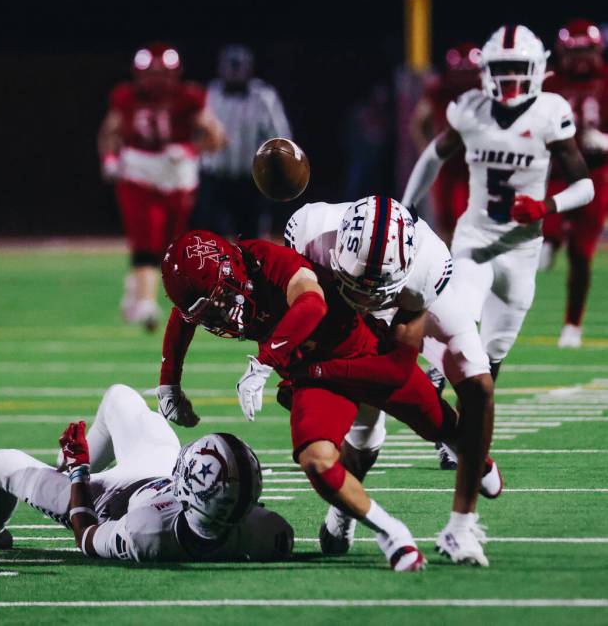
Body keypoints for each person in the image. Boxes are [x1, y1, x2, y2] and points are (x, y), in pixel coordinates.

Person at [157, 229, 501, 571]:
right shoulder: (220, 287)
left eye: (217, 302)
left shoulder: (266, 260)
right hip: (313, 374)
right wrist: (168, 383)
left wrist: (265, 360)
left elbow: (312, 303)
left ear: (233, 271)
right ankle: (393, 536)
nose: (219, 317)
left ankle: (474, 460)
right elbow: (182, 318)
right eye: (207, 313)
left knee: (442, 427)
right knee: (316, 460)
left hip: (363, 356)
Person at [285, 195, 499, 566]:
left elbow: (396, 373)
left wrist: (314, 371)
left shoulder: (426, 267)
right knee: (365, 434)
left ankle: (461, 526)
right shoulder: (309, 233)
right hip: (336, 311)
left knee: (478, 383)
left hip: (404, 304)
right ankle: (345, 508)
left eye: (372, 290)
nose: (364, 298)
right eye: (357, 285)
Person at [402, 24, 594, 382]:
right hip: (476, 238)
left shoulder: (550, 112)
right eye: (502, 67)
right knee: (459, 315)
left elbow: (585, 186)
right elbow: (433, 155)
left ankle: (465, 428)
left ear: (537, 69)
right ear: (487, 70)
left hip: (522, 249)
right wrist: (407, 203)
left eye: (517, 67)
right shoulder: (472, 109)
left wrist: (545, 206)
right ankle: (435, 386)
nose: (509, 76)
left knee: (493, 352)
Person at [0, 384, 293, 562]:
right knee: (119, 397)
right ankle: (59, 468)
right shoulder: (269, 532)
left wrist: (80, 472)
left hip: (109, 501)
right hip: (156, 476)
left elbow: (86, 537)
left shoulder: (148, 531)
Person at [98, 43, 225, 331]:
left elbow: (218, 138)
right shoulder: (126, 97)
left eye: (161, 73)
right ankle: (145, 301)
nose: (156, 80)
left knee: (173, 244)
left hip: (176, 174)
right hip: (139, 171)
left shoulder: (190, 97)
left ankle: (139, 288)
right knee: (146, 240)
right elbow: (110, 131)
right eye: (150, 73)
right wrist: (109, 158)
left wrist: (191, 150)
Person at [541, 19, 608, 348]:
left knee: (582, 255)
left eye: (586, 51)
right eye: (574, 52)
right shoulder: (548, 82)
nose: (580, 59)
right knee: (542, 236)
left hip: (595, 175)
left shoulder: (606, 81)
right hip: (553, 173)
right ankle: (550, 241)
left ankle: (572, 324)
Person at [198, 44, 292, 238]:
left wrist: (273, 171)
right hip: (214, 178)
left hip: (250, 180)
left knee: (251, 240)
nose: (234, 72)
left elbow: (281, 136)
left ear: (249, 68)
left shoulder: (264, 96)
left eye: (238, 66)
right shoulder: (210, 93)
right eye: (230, 66)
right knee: (209, 240)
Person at [409, 43, 482, 244]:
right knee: (447, 222)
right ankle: (449, 264)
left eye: (469, 73)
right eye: (461, 73)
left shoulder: (487, 91)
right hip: (448, 166)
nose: (465, 79)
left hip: (479, 164)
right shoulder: (439, 89)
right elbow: (418, 122)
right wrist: (428, 151)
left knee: (479, 220)